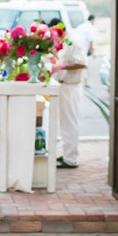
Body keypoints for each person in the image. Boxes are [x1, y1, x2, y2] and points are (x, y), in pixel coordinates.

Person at [50, 18, 87, 169]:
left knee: (70, 122)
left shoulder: (74, 42)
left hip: (71, 86)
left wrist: (60, 67)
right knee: (64, 123)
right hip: (62, 86)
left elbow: (82, 62)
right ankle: (67, 154)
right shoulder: (62, 43)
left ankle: (71, 158)